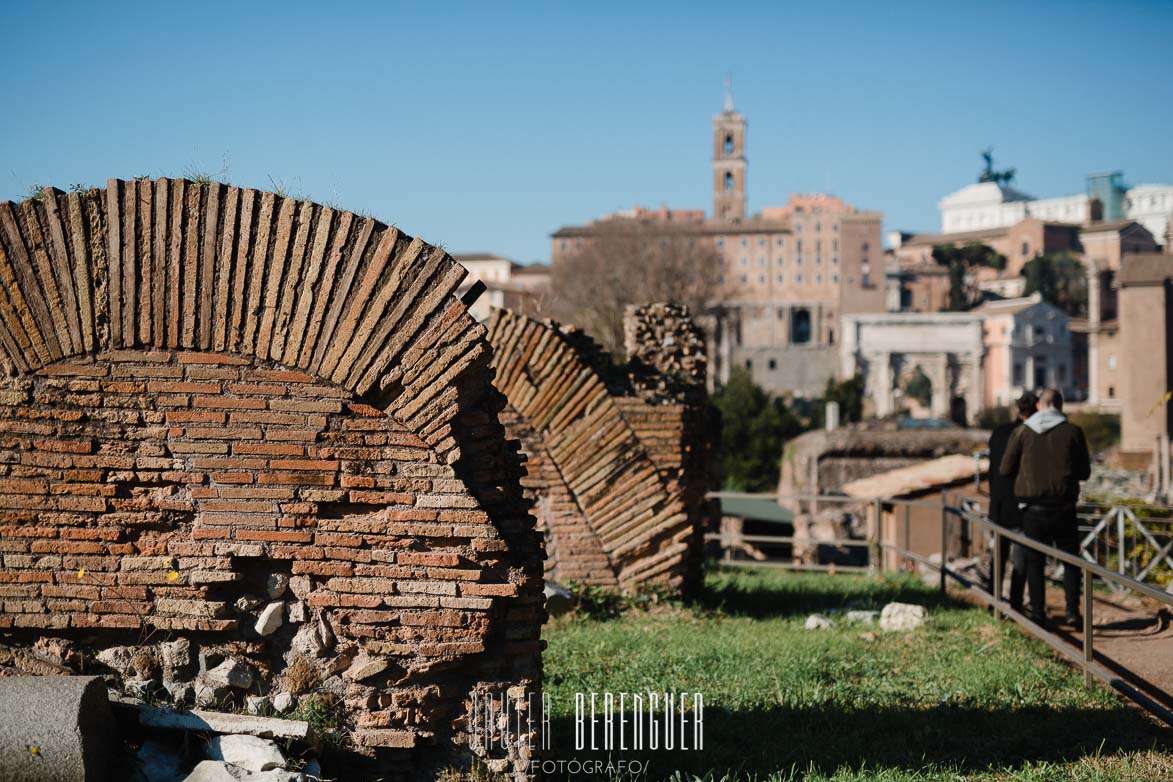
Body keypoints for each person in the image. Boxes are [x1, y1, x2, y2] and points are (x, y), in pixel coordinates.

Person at [999, 389, 1091, 627]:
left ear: (1040, 406)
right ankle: (1073, 612)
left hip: (1032, 508)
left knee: (1034, 561)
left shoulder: (1022, 431)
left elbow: (1005, 469)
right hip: (1064, 506)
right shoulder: (1073, 432)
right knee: (1071, 561)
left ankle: (1038, 612)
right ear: (1060, 406)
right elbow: (1084, 472)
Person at [986, 391, 1035, 612]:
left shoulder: (998, 433)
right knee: (1021, 560)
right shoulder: (1032, 435)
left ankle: (993, 602)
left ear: (1017, 409)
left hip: (999, 504)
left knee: (998, 557)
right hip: (1022, 506)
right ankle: (1016, 605)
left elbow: (992, 472)